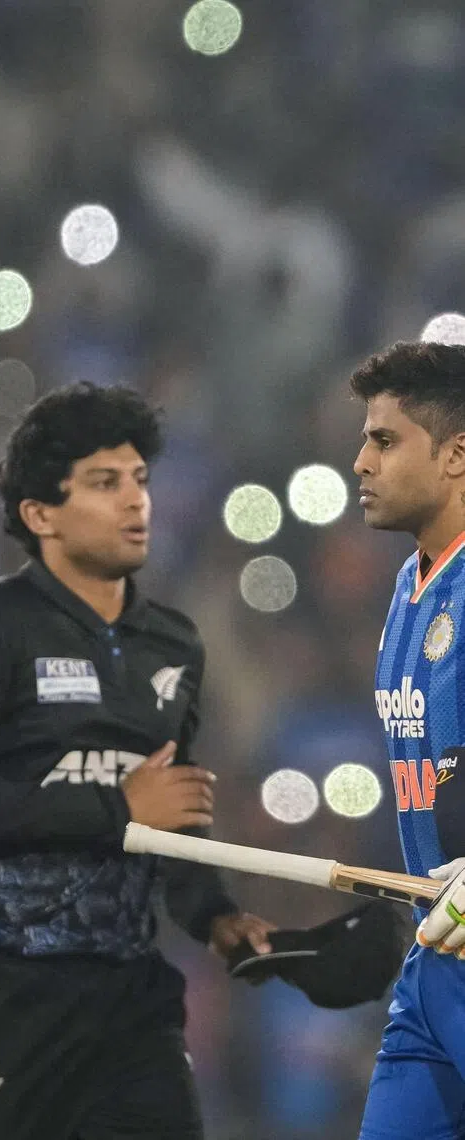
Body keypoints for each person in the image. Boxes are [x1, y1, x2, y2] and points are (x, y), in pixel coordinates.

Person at [0, 382, 275, 1140]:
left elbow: (172, 815)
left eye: (140, 481)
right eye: (105, 484)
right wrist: (117, 812)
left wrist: (214, 916)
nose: (136, 503)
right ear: (41, 516)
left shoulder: (174, 646)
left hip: (128, 1005)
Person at [352, 340, 465, 1140]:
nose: (360, 461)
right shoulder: (409, 582)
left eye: (385, 441)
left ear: (457, 454)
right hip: (436, 959)